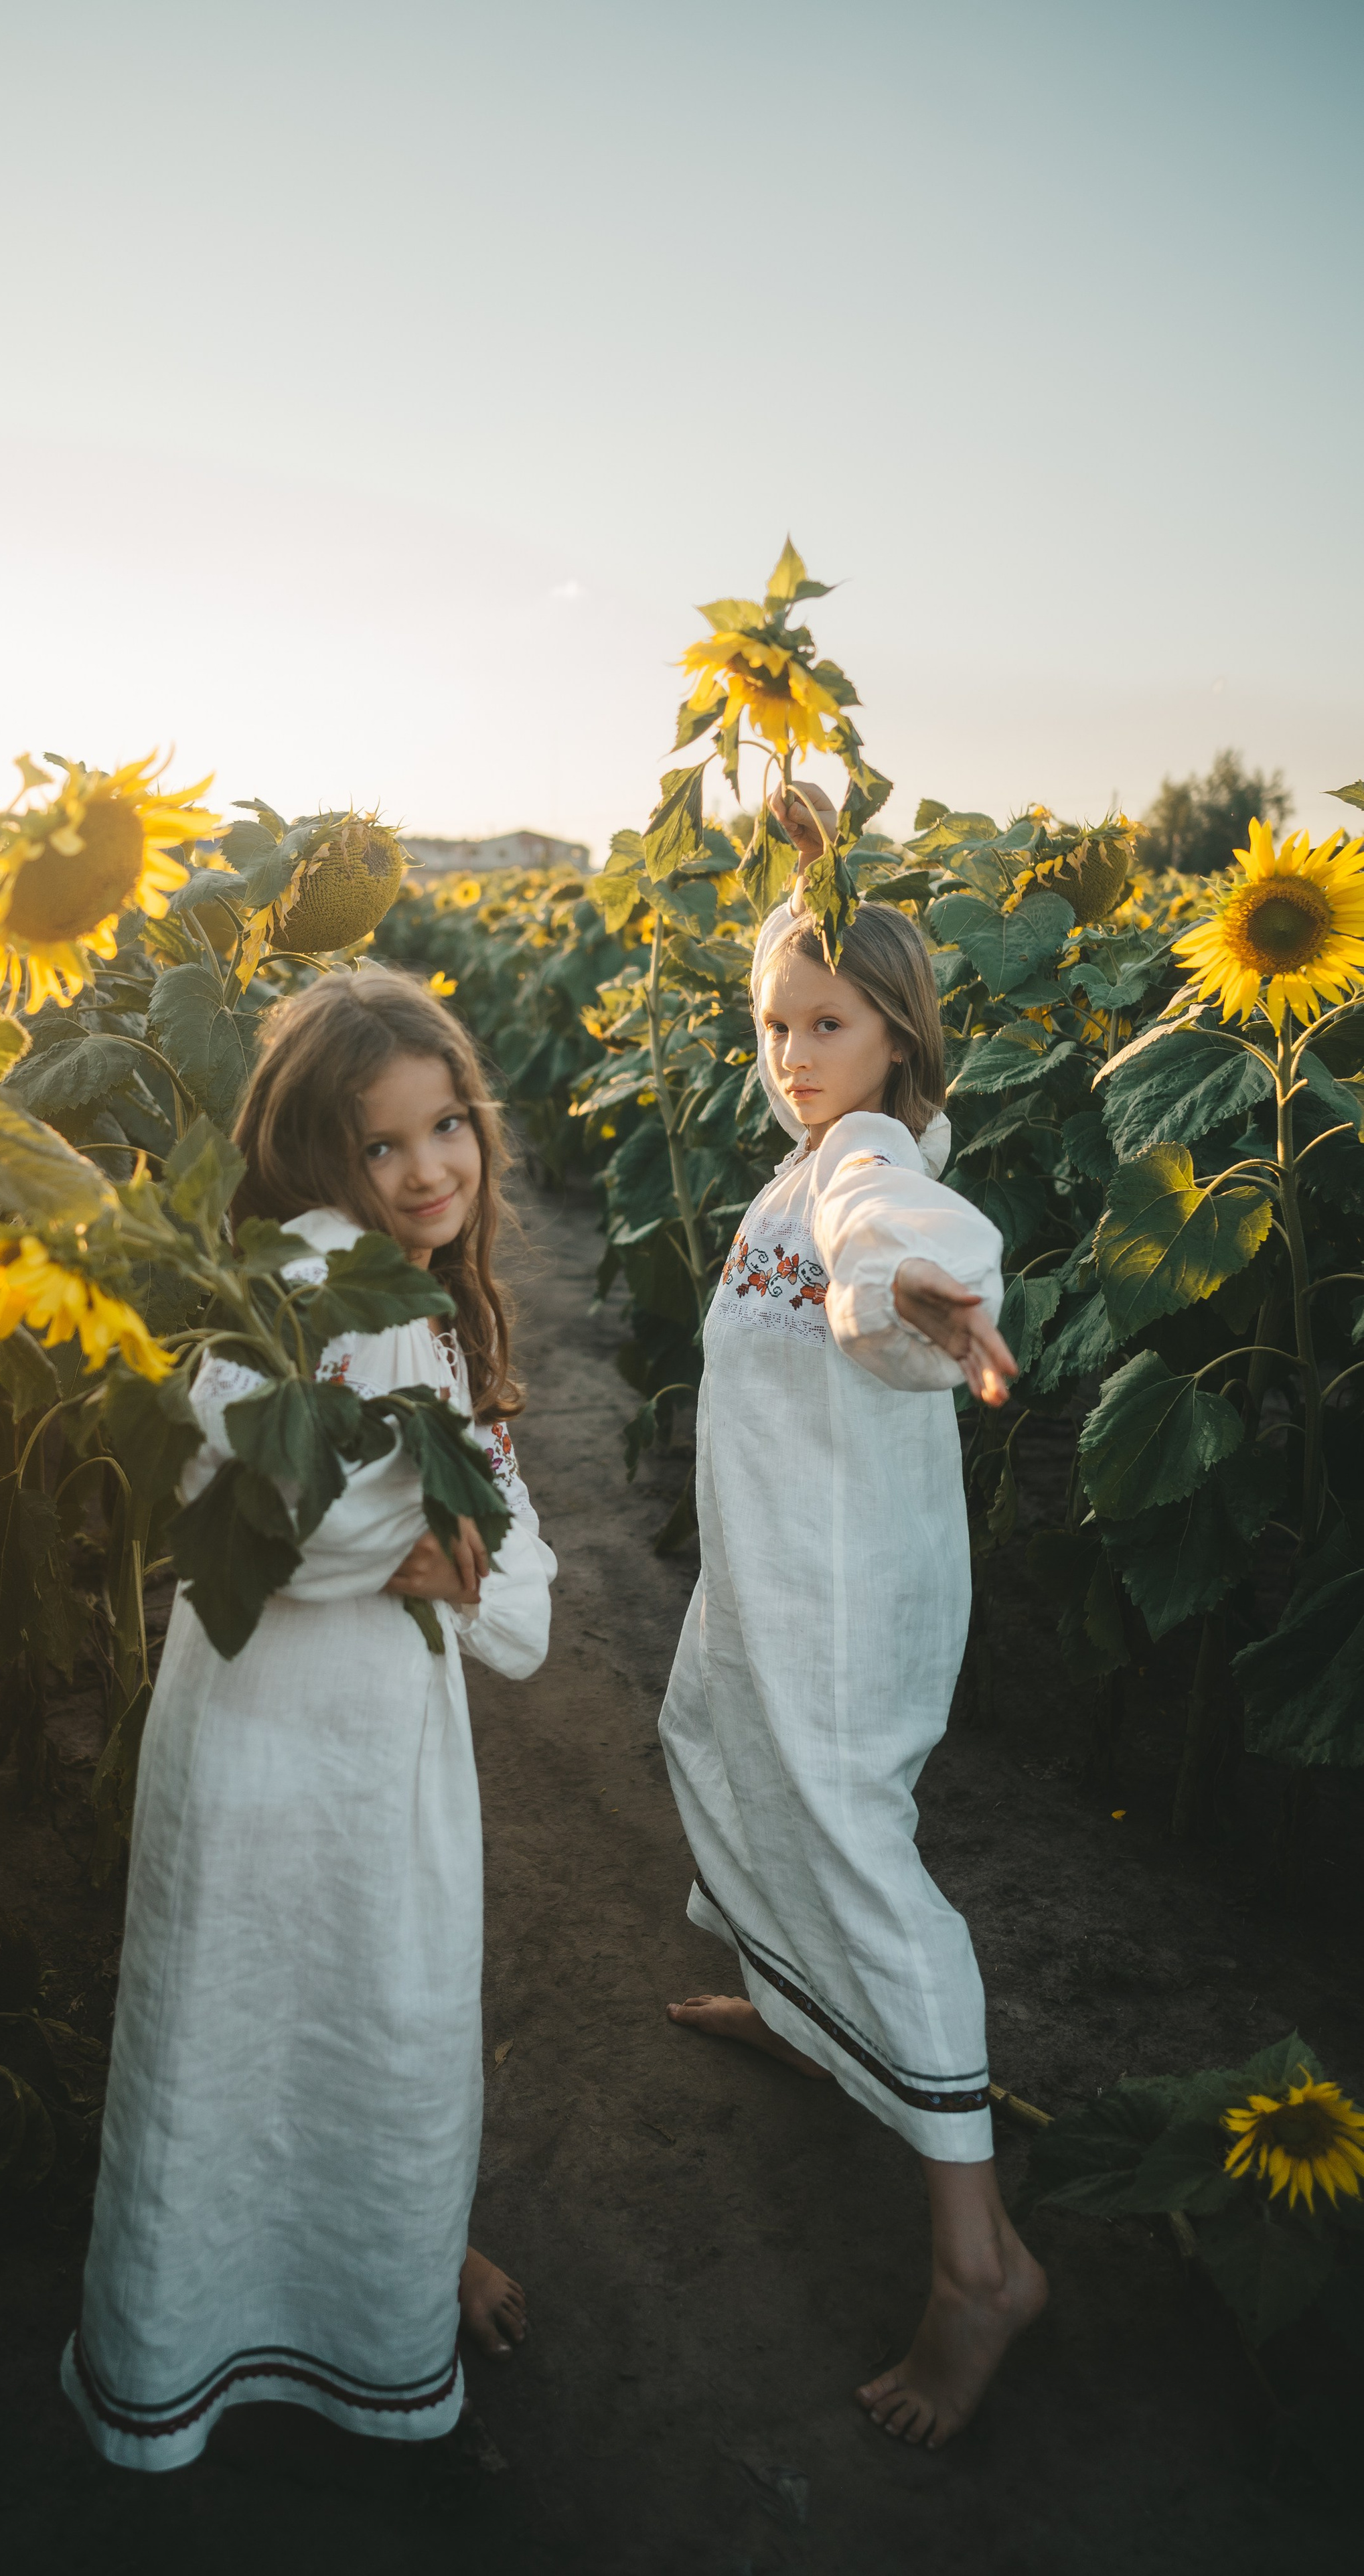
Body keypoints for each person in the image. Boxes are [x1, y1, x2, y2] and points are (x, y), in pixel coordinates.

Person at [63, 967, 555, 2468]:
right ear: (312, 1159)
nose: (427, 1171)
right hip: (279, 1731)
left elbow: (502, 1530)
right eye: (382, 1145)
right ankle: (234, 2321)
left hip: (359, 1732)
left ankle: (381, 2273)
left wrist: (468, 1560)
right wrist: (444, 1551)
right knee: (282, 2018)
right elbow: (265, 1514)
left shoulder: (430, 1310)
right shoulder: (287, 1289)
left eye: (446, 1126)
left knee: (354, 2016)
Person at [658, 814, 1047, 2452]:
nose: (795, 1056)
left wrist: (914, 1292)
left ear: (894, 1035)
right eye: (772, 1024)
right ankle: (804, 2009)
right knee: (710, 1750)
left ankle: (977, 2264)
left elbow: (877, 1246)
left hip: (835, 1607)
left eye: (828, 1023)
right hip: (769, 1587)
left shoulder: (866, 1170)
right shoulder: (791, 1166)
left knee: (863, 1865)